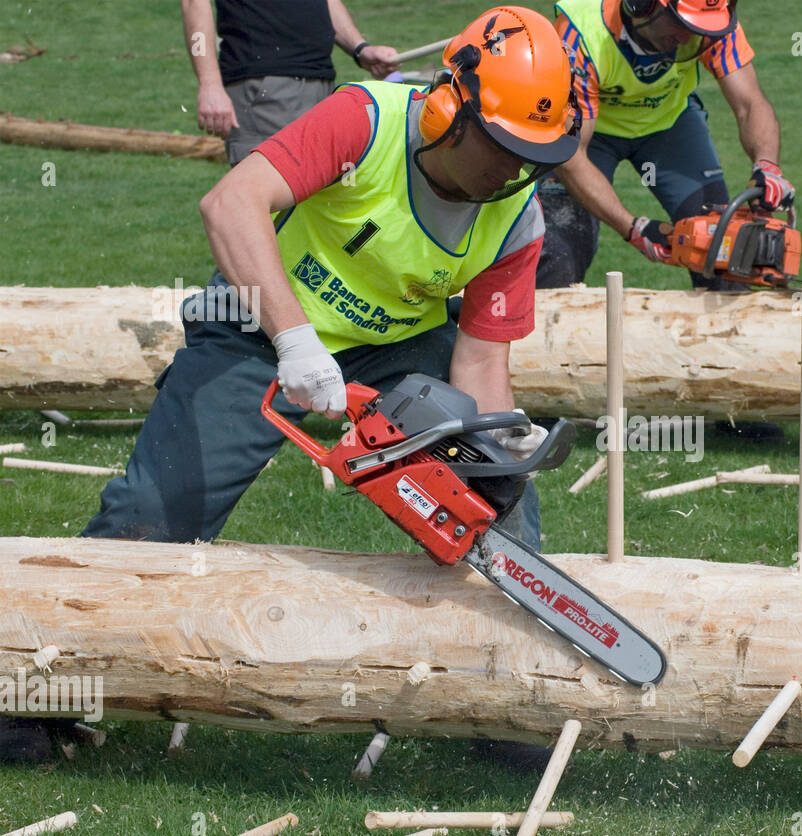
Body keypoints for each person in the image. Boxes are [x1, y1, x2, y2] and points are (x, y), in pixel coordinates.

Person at [0, 6, 578, 764]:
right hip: (257, 324)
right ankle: (32, 691)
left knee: (496, 503)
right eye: (504, 148)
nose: (514, 171)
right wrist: (296, 343)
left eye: (533, 157)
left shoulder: (517, 218)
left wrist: (496, 445)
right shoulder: (365, 122)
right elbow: (231, 203)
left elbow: (478, 363)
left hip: (400, 346)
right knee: (157, 508)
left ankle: (506, 708)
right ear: (450, 111)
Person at [535, 0, 795, 291]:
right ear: (641, 6)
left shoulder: (712, 21)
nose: (688, 37)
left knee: (724, 252)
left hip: (669, 124)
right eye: (681, 25)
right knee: (557, 257)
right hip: (588, 136)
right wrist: (632, 227)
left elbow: (750, 103)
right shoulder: (579, 37)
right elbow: (571, 156)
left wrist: (767, 164)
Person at [181, 0, 402, 164]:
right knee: (274, 212)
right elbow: (194, 3)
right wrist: (210, 84)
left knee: (318, 208)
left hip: (321, 84)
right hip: (265, 89)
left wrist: (360, 48)